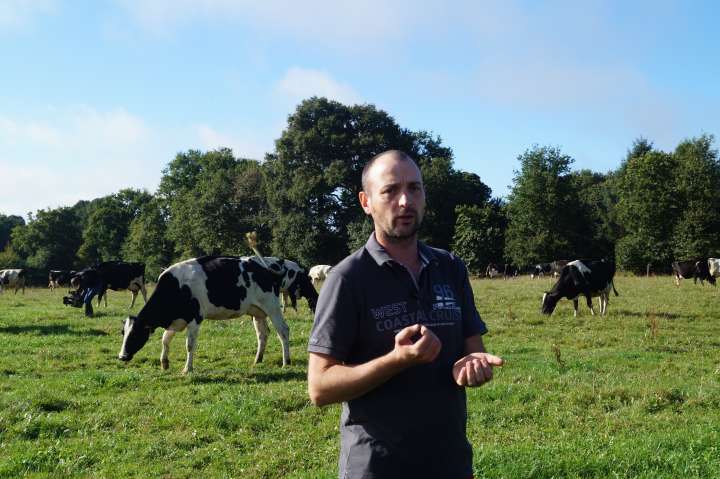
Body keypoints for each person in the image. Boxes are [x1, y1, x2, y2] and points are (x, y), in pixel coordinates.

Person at [307, 150, 504, 478]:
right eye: (390, 190)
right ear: (366, 201)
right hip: (377, 466)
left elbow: (473, 348)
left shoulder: (449, 268)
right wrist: (396, 360)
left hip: (450, 463)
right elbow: (320, 387)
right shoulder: (348, 278)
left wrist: (472, 365)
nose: (404, 201)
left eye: (414, 188)